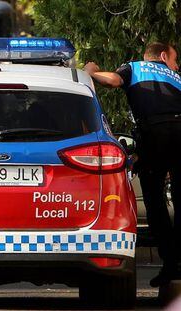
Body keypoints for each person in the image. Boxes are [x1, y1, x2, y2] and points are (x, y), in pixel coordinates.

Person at [84, 42, 181, 287]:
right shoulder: (178, 78)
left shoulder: (134, 67)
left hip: (156, 132)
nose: (176, 65)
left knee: (154, 198)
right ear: (162, 56)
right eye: (175, 59)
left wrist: (91, 71)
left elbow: (113, 81)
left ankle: (171, 264)